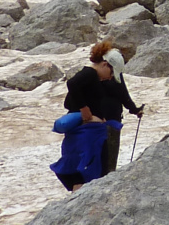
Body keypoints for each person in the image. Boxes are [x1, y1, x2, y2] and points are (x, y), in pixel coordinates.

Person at [57, 41, 143, 187]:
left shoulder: (94, 77)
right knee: (95, 168)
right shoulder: (90, 74)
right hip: (89, 131)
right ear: (105, 64)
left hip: (89, 130)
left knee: (80, 170)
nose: (110, 77)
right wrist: (85, 110)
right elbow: (72, 84)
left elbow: (69, 101)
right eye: (111, 73)